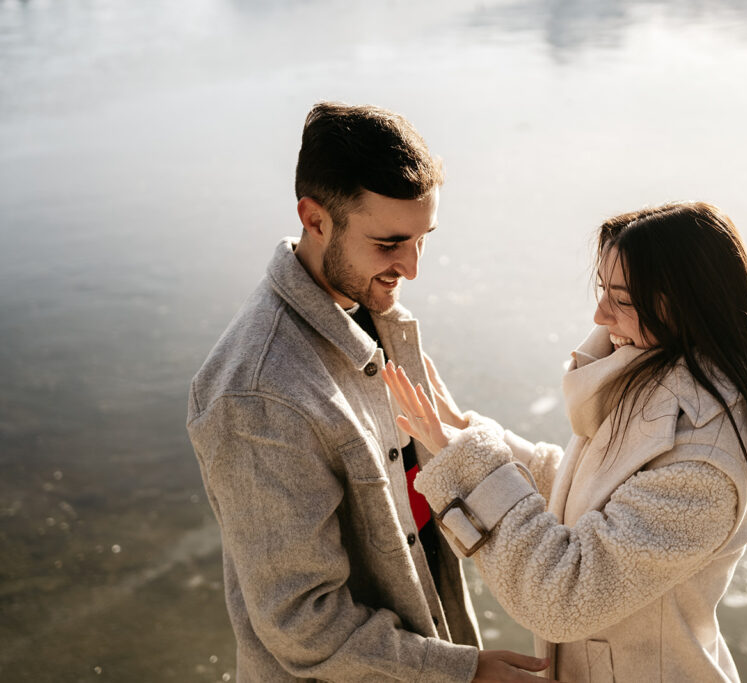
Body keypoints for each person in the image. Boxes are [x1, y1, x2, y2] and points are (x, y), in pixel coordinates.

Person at [186, 102, 548, 682]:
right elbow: (302, 622)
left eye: (422, 240)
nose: (411, 269)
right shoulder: (257, 395)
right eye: (388, 244)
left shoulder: (375, 312)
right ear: (315, 218)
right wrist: (465, 673)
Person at [383, 201, 747, 681]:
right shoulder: (655, 378)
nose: (600, 314)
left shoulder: (705, 463)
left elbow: (563, 597)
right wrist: (471, 436)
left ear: (684, 303)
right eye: (603, 290)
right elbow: (592, 496)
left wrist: (472, 465)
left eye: (621, 298)